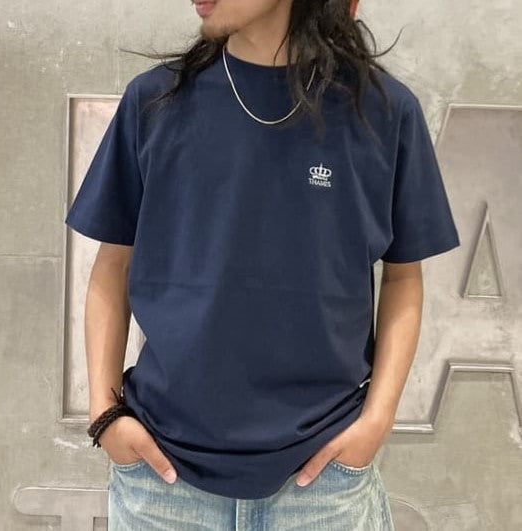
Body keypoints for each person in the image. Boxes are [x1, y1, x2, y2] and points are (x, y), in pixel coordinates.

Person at [65, 0, 460, 529]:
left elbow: (404, 276)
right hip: (163, 481)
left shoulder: (381, 111)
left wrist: (378, 419)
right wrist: (104, 411)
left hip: (323, 483)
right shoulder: (155, 100)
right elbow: (112, 265)